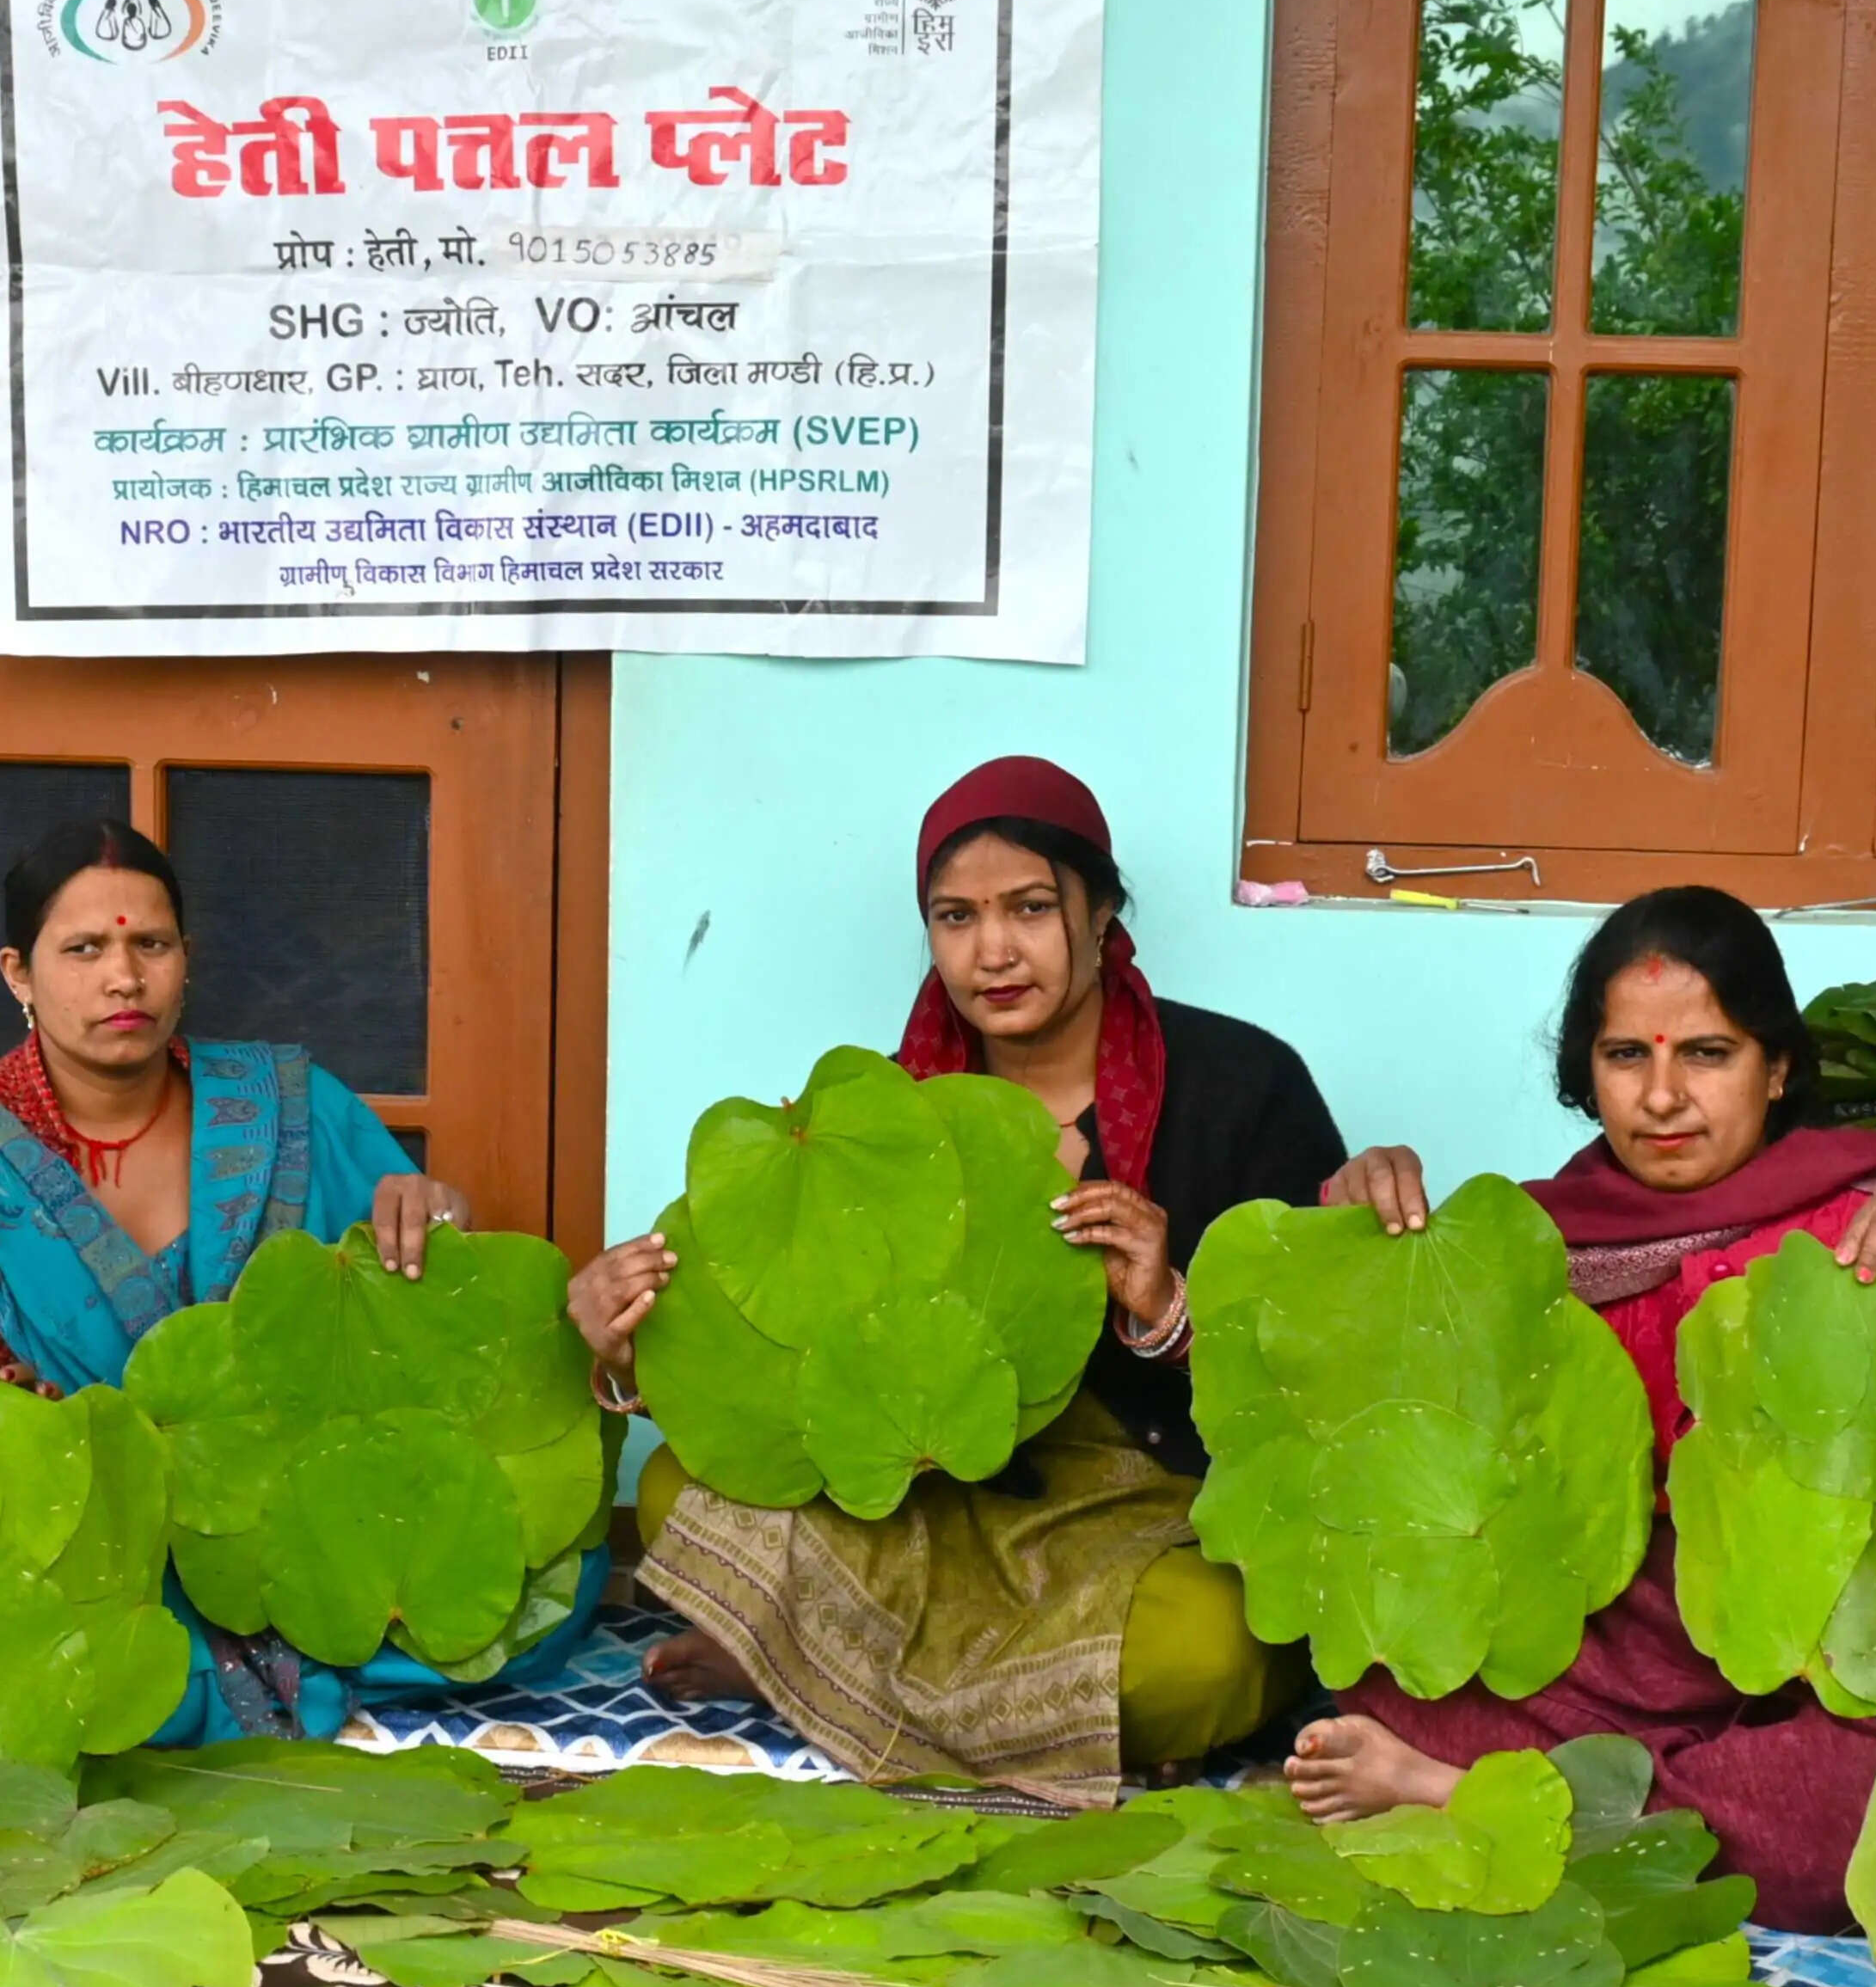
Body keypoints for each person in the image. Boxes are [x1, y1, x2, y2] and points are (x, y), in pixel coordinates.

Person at [1280, 886, 1876, 1924]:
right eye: (1625, 1057)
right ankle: (1572, 1803)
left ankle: (1465, 1798)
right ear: (1584, 1072)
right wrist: (1355, 1246)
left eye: (1706, 1053)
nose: (1661, 1098)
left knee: (1864, 1811)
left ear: (1775, 1069)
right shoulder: (1539, 1241)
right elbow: (1346, 1425)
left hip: (1832, 1651)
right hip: (1622, 1642)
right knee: (1391, 1672)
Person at [569, 758, 1347, 1804]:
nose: (992, 951)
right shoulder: (886, 1114)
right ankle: (1008, 1717)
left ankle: (810, 1674)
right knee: (676, 1493)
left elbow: (1323, 1381)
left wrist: (1169, 1310)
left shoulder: (1242, 1085)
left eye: (1029, 908)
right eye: (955, 915)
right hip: (936, 1513)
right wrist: (626, 1357)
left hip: (1146, 1513)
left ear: (1102, 909)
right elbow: (811, 1382)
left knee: (1213, 1649)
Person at [0, 818, 477, 1737]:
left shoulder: (290, 1110)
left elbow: (408, 1365)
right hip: (55, 1558)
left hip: (280, 1551)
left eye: (149, 944)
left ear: (185, 958)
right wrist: (2, 1416)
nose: (124, 977)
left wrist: (430, 1229)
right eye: (83, 948)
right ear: (17, 973)